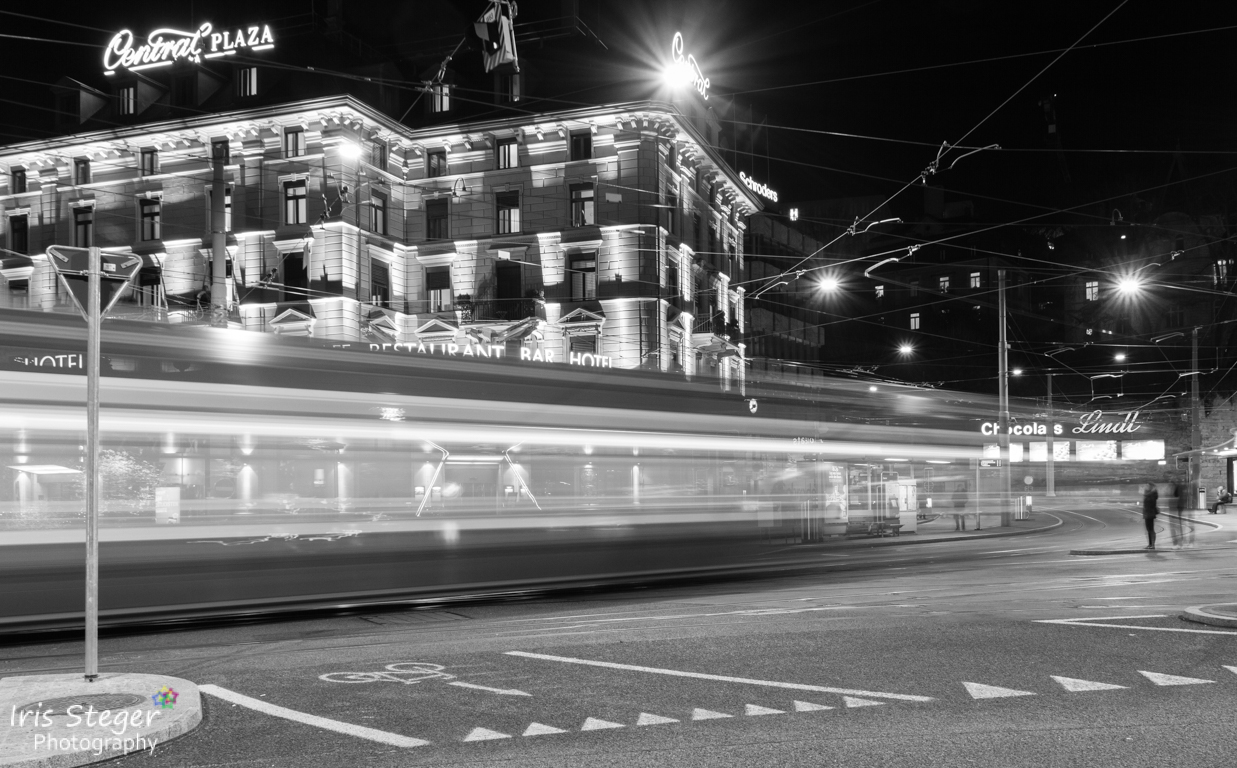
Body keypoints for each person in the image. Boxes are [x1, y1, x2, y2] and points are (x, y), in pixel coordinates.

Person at [1141, 482, 1159, 550]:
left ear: (1151, 487)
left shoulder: (1151, 495)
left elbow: (1151, 504)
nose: (1145, 487)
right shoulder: (1148, 494)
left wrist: (1146, 494)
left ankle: (1152, 545)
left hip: (1150, 514)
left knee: (1151, 529)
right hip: (1147, 513)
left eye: (1147, 486)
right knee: (1149, 530)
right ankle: (1150, 544)